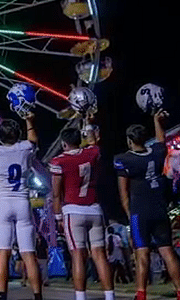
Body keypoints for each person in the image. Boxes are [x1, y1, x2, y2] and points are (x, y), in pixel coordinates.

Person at [114, 110, 180, 300]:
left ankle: (141, 294)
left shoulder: (123, 159)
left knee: (142, 255)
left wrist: (129, 214)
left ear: (130, 140)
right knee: (167, 251)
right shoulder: (157, 152)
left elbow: (123, 193)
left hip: (140, 211)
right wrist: (157, 121)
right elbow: (161, 140)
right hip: (160, 208)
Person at [50, 127, 115, 300]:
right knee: (100, 255)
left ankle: (80, 297)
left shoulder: (59, 161)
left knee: (78, 255)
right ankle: (110, 296)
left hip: (73, 210)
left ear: (64, 143)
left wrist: (57, 217)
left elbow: (56, 194)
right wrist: (89, 124)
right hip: (94, 208)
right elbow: (94, 142)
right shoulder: (92, 153)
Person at [0, 115, 43, 300]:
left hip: (3, 203)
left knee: (3, 253)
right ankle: (37, 295)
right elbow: (33, 140)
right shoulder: (25, 148)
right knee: (29, 254)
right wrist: (30, 120)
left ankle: (2, 295)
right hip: (22, 202)